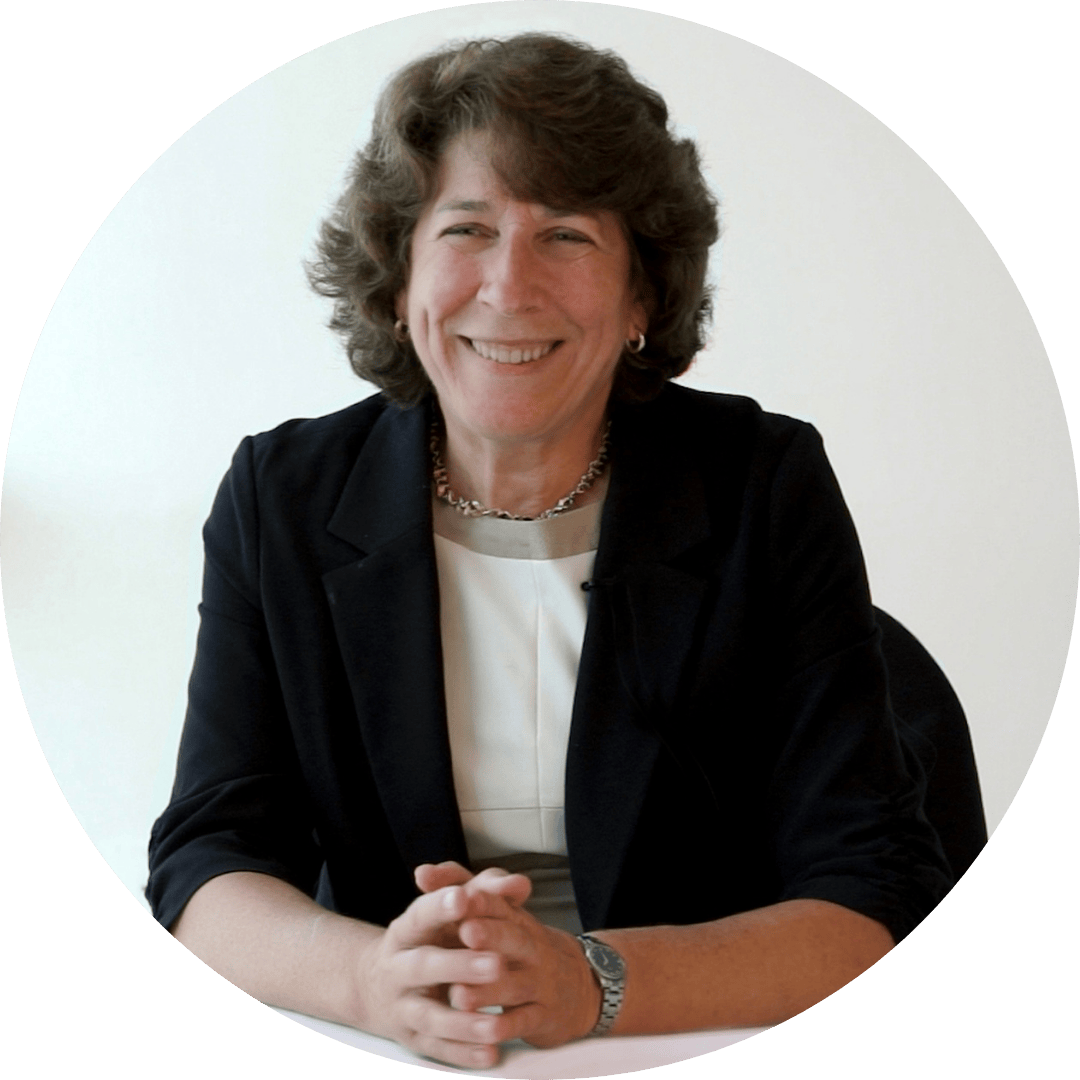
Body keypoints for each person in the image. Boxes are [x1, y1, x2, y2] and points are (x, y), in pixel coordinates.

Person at [147, 34, 953, 1069]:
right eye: (468, 228)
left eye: (567, 235)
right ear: (399, 279)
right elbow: (208, 860)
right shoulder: (281, 498)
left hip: (697, 1035)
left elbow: (871, 896)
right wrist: (372, 983)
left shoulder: (764, 483)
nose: (509, 285)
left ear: (641, 299)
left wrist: (594, 985)